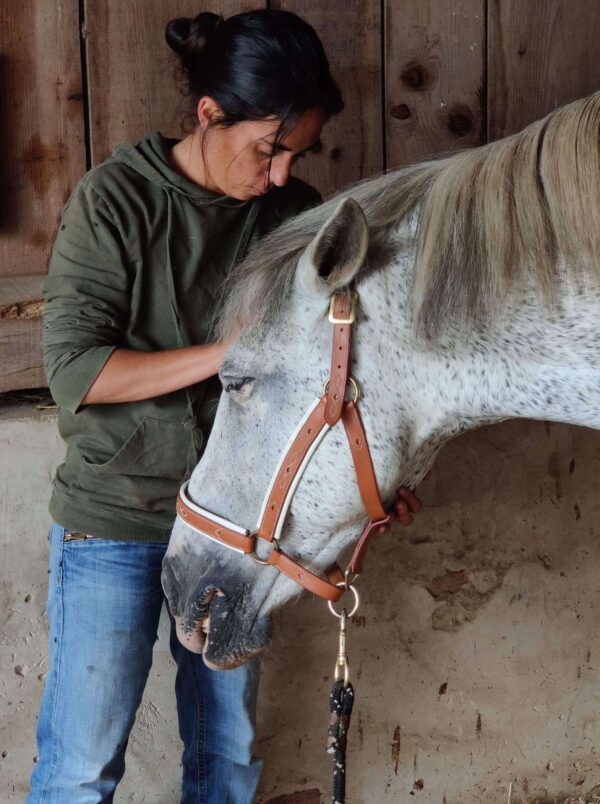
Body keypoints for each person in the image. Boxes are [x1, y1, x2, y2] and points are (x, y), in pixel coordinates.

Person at [28, 8, 421, 803]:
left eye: (295, 154)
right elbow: (77, 371)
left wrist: (371, 484)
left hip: (240, 532)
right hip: (116, 523)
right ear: (210, 115)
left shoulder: (291, 214)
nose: (280, 175)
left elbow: (330, 374)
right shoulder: (117, 201)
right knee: (80, 771)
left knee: (229, 766)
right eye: (267, 149)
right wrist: (227, 353)